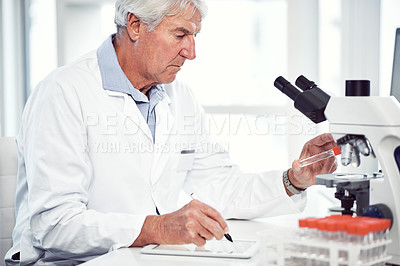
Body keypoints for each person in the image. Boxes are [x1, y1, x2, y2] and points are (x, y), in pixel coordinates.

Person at [5, 0, 337, 265]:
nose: (192, 52)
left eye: (194, 37)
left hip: (141, 257)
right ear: (135, 25)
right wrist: (158, 227)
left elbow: (220, 185)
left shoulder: (179, 97)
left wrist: (293, 180)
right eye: (180, 35)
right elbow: (55, 225)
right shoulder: (62, 92)